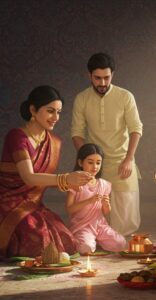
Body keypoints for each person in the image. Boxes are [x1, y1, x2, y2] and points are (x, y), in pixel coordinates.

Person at [0, 85, 92, 258]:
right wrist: (65, 179)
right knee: (37, 241)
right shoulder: (17, 137)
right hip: (8, 203)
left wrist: (72, 183)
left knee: (64, 238)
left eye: (58, 112)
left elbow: (45, 181)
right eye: (50, 111)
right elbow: (28, 177)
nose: (56, 117)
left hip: (33, 204)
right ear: (33, 110)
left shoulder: (54, 142)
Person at [71, 52, 143, 236]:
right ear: (89, 76)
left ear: (113, 75)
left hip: (122, 162)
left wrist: (129, 159)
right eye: (97, 78)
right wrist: (87, 161)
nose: (102, 83)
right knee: (92, 211)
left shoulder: (125, 96)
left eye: (106, 77)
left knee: (126, 220)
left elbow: (136, 129)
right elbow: (77, 133)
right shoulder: (82, 99)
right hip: (96, 165)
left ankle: (121, 248)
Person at [66, 143, 126, 254]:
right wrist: (89, 201)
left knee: (120, 243)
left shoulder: (104, 184)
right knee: (86, 248)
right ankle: (87, 240)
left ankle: (96, 239)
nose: (95, 167)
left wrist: (106, 204)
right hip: (82, 226)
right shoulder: (75, 183)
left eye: (98, 163)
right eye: (90, 162)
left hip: (99, 225)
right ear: (80, 162)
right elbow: (69, 209)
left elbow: (106, 212)